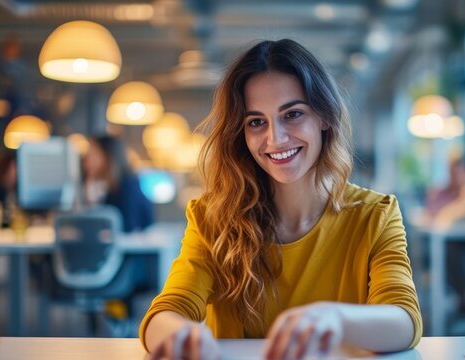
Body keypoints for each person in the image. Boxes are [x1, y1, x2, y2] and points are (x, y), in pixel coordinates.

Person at [140, 39, 421, 359]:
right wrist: (180, 333)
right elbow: (165, 313)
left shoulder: (375, 215)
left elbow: (405, 321)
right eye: (256, 122)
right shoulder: (212, 218)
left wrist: (335, 318)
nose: (275, 138)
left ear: (324, 117)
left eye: (293, 114)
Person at [82, 135, 154, 232]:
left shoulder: (128, 188)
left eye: (92, 154)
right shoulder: (112, 189)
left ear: (108, 156)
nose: (86, 160)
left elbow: (128, 230)